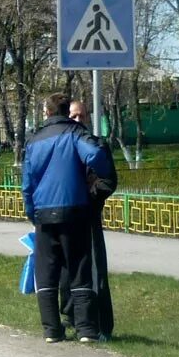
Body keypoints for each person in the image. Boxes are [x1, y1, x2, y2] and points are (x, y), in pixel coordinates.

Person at [22, 92, 116, 344]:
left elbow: (27, 183)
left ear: (47, 112)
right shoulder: (75, 134)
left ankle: (52, 330)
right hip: (75, 209)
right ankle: (86, 330)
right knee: (79, 269)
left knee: (46, 272)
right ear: (66, 111)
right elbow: (95, 154)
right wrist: (102, 173)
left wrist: (32, 211)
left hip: (44, 213)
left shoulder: (34, 140)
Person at [58, 100, 116, 339]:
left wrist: (87, 197)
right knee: (64, 273)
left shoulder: (97, 146)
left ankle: (101, 325)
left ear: (89, 119)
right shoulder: (61, 147)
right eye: (73, 116)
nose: (78, 121)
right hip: (63, 218)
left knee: (94, 273)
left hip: (88, 217)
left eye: (82, 116)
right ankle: (72, 318)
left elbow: (107, 181)